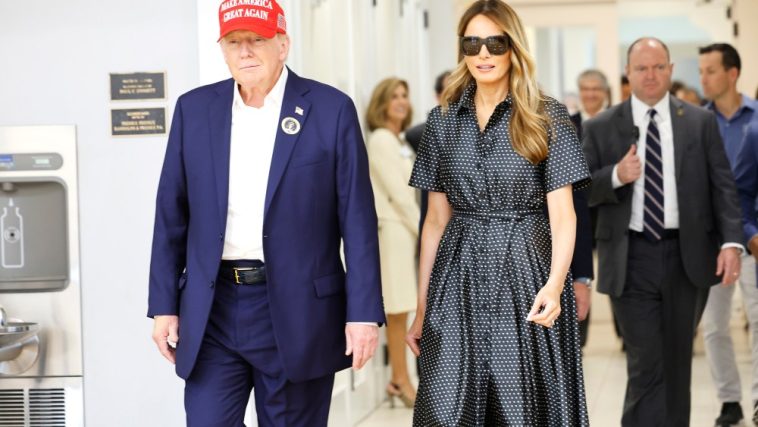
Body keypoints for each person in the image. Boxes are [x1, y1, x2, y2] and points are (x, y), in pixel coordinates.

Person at [147, 1, 385, 425]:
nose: (245, 52)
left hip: (298, 311)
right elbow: (171, 215)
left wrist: (363, 313)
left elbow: (359, 223)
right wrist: (164, 305)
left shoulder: (330, 110)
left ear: (283, 45)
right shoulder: (194, 110)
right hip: (214, 308)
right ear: (222, 50)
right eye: (234, 42)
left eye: (257, 40)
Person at [406, 1, 590, 424]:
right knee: (445, 403)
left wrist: (555, 283)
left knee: (520, 404)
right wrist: (421, 307)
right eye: (473, 43)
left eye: (495, 42)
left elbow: (564, 215)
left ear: (514, 48)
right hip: (457, 277)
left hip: (527, 271)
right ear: (462, 50)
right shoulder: (442, 121)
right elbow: (434, 221)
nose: (483, 53)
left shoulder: (547, 116)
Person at [582, 37, 743, 427]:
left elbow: (722, 185)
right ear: (627, 73)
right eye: (641, 68)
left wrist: (731, 242)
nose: (650, 75)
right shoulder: (602, 127)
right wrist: (617, 176)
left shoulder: (699, 122)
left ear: (670, 70)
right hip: (630, 258)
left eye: (658, 67)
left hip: (686, 258)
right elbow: (580, 190)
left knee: (676, 364)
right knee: (646, 363)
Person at [698, 42, 758, 427]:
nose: (703, 78)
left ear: (732, 73)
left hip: (754, 242)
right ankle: (730, 401)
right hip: (713, 243)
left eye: (711, 71)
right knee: (715, 326)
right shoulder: (695, 123)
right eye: (701, 71)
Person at [365, 77, 420, 407]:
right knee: (398, 309)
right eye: (393, 96)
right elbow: (398, 192)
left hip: (402, 229)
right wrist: (422, 228)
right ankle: (400, 380)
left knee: (401, 308)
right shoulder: (382, 140)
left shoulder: (398, 140)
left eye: (404, 95)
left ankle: (400, 378)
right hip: (393, 229)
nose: (401, 101)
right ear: (381, 104)